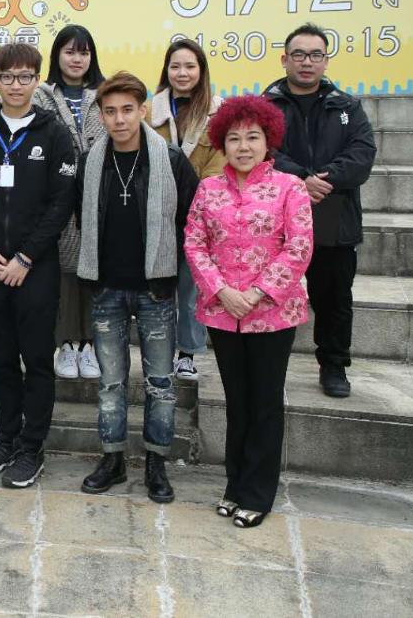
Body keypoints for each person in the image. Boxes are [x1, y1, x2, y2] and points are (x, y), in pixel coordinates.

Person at [184, 94, 314, 528]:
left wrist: (256, 293)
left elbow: (299, 247)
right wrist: (222, 291)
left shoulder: (290, 188)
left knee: (265, 403)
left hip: (272, 315)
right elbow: (194, 243)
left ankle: (258, 493)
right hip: (223, 313)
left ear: (268, 140)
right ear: (222, 142)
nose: (243, 146)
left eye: (253, 137)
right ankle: (235, 485)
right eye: (235, 138)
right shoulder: (208, 189)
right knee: (237, 402)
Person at [74, 72, 200, 504]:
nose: (119, 119)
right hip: (106, 289)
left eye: (128, 109)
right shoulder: (91, 161)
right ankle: (112, 458)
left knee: (160, 383)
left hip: (155, 291)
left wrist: (168, 263)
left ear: (143, 110)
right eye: (110, 111)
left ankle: (155, 463)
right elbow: (81, 217)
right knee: (110, 383)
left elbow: (191, 219)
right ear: (101, 115)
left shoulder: (171, 159)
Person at [0, 42, 76, 489]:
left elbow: (61, 203)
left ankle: (31, 447)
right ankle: (6, 438)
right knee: (1, 359)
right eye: (7, 77)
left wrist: (26, 256)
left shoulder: (54, 134)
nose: (16, 85)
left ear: (37, 80)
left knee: (37, 360)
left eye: (25, 77)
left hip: (35, 269)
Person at [265, 24, 376, 398]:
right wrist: (302, 179)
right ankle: (268, 366)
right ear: (285, 59)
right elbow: (262, 152)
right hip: (279, 218)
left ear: (326, 61)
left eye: (315, 55)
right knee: (271, 295)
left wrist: (320, 180)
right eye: (299, 54)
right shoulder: (267, 106)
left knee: (334, 299)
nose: (307, 62)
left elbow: (362, 154)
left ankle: (333, 366)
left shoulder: (347, 107)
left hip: (333, 216)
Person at [147, 37, 226, 382]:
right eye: (175, 66)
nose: (182, 73)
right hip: (158, 213)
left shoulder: (217, 113)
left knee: (192, 289)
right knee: (159, 288)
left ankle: (187, 354)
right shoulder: (149, 111)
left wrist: (196, 202)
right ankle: (159, 350)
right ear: (166, 70)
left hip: (200, 214)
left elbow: (218, 166)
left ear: (201, 70)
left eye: (190, 66)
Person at [32, 25, 106, 383]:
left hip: (98, 196)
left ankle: (89, 344)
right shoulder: (41, 95)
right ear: (57, 55)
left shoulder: (104, 93)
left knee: (93, 272)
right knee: (63, 274)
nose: (77, 59)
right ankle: (65, 344)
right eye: (70, 51)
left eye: (84, 52)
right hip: (56, 196)